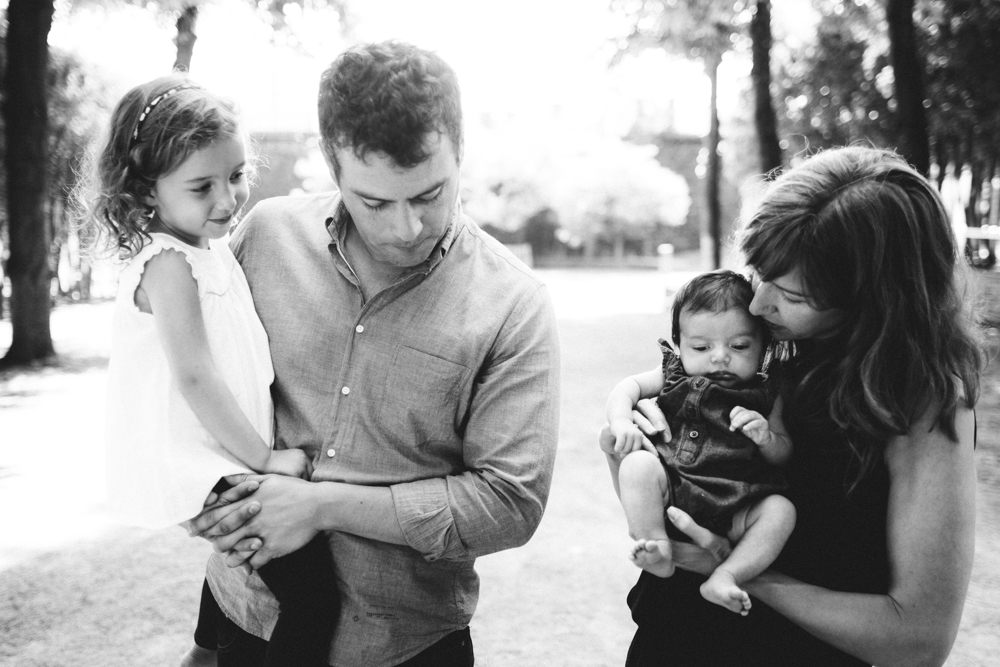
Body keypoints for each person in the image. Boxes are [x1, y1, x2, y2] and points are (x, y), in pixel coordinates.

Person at [183, 41, 561, 667]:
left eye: (429, 195)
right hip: (246, 607)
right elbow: (196, 383)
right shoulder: (266, 235)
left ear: (461, 154)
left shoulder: (514, 304)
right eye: (376, 202)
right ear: (332, 166)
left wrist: (321, 506)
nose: (405, 228)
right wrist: (199, 497)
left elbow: (510, 505)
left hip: (404, 644)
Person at [603, 146, 983, 667]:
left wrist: (741, 569)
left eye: (792, 296)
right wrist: (633, 457)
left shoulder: (923, 405)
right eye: (759, 273)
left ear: (872, 301)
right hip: (668, 643)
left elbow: (918, 638)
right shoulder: (760, 352)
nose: (758, 306)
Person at [81, 75, 338, 667]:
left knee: (238, 571)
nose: (227, 200)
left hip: (222, 456)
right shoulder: (168, 262)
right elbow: (196, 377)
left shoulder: (208, 246)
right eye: (203, 187)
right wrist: (265, 459)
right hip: (207, 463)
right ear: (147, 191)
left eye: (236, 175)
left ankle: (201, 657)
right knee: (312, 598)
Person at [600, 270, 795, 616]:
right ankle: (656, 545)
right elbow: (626, 388)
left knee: (781, 510)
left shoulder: (767, 393)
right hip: (673, 488)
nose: (720, 357)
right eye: (701, 347)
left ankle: (727, 575)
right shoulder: (674, 374)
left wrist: (766, 437)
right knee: (637, 464)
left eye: (739, 346)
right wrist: (619, 421)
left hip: (738, 502)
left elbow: (783, 454)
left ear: (763, 346)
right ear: (679, 344)